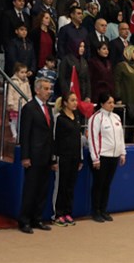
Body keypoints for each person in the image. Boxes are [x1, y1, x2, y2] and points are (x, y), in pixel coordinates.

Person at [18, 78, 55, 234]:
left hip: (46, 155)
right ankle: (24, 220)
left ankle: (37, 218)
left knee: (42, 189)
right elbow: (25, 134)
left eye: (50, 89)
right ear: (37, 90)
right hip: (33, 156)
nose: (49, 92)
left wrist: (53, 157)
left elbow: (50, 134)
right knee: (31, 189)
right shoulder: (29, 108)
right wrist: (25, 156)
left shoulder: (48, 108)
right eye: (46, 89)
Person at [88, 92, 126, 223]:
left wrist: (122, 152)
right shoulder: (96, 118)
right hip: (102, 157)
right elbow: (93, 139)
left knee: (107, 184)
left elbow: (120, 136)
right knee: (98, 185)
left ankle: (103, 210)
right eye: (109, 103)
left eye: (113, 102)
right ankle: (95, 211)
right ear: (102, 104)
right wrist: (95, 158)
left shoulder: (116, 117)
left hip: (114, 156)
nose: (112, 105)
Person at [51, 91, 84, 227]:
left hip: (74, 158)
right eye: (72, 100)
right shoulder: (59, 118)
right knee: (61, 186)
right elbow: (54, 139)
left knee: (70, 186)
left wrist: (80, 158)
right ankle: (57, 214)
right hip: (62, 157)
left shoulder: (77, 117)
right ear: (65, 103)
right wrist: (54, 159)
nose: (75, 103)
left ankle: (67, 212)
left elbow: (79, 139)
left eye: (76, 100)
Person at [7, 62, 32, 140]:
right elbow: (10, 93)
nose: (24, 74)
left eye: (25, 72)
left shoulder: (26, 82)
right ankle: (14, 134)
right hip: (15, 104)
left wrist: (30, 101)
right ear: (16, 72)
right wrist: (10, 103)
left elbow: (29, 93)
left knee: (22, 120)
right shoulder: (13, 82)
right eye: (22, 72)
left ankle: (20, 133)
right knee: (14, 120)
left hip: (24, 104)